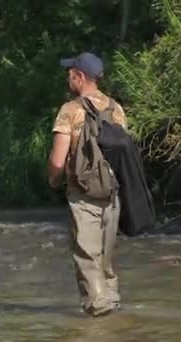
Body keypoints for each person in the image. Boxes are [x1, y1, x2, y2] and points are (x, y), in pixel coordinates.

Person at [47, 52, 127, 317]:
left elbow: (58, 160)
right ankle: (112, 307)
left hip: (83, 194)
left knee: (87, 258)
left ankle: (98, 317)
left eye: (70, 74)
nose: (67, 78)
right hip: (112, 193)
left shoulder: (70, 110)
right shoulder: (116, 109)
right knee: (106, 259)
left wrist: (53, 180)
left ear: (80, 77)